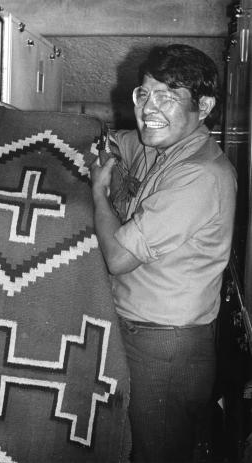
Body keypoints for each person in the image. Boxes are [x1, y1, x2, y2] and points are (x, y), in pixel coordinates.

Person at [90, 44, 237, 463]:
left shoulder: (200, 175)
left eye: (167, 98)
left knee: (157, 453)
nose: (148, 109)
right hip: (142, 332)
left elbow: (118, 257)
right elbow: (100, 136)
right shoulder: (158, 145)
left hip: (165, 346)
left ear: (203, 106)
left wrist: (100, 192)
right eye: (143, 94)